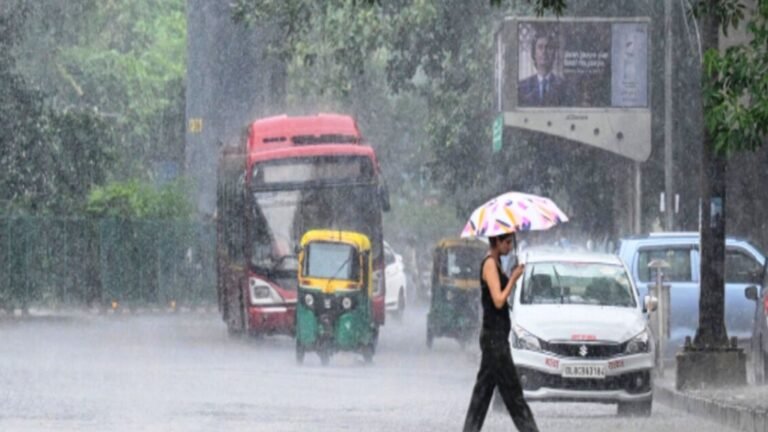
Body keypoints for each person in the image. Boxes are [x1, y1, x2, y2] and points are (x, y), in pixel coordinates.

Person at [462, 232, 539, 432]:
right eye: (506, 242)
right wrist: (513, 278)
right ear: (495, 241)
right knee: (513, 393)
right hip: (494, 340)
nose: (509, 246)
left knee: (483, 393)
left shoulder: (496, 264)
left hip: (495, 337)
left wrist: (510, 275)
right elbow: (498, 300)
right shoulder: (489, 264)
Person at [518, 27, 568, 107]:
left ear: (554, 54)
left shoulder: (564, 87)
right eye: (540, 47)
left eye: (548, 47)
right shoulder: (522, 87)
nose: (544, 51)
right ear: (534, 53)